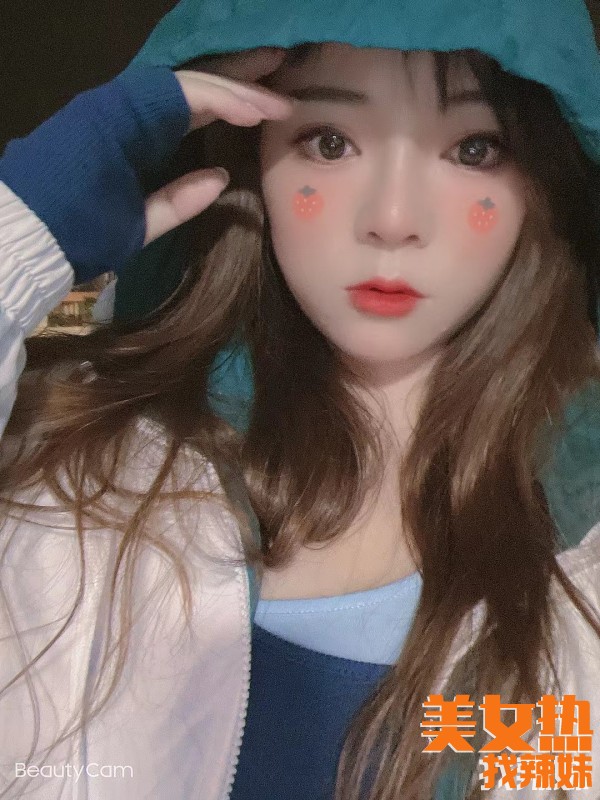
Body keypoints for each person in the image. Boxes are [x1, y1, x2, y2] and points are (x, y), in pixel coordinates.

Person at [0, 1, 599, 798]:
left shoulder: (582, 550)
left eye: (474, 148)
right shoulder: (75, 470)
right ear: (251, 159)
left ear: (545, 182)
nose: (392, 219)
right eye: (329, 142)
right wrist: (11, 243)